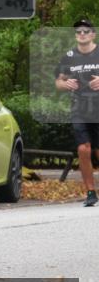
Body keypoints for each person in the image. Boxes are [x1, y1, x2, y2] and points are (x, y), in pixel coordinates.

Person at [55, 18, 99, 207]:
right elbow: (58, 82)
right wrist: (65, 84)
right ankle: (90, 192)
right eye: (78, 32)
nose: (82, 34)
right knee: (83, 148)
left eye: (85, 31)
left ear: (93, 34)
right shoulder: (69, 57)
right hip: (79, 108)